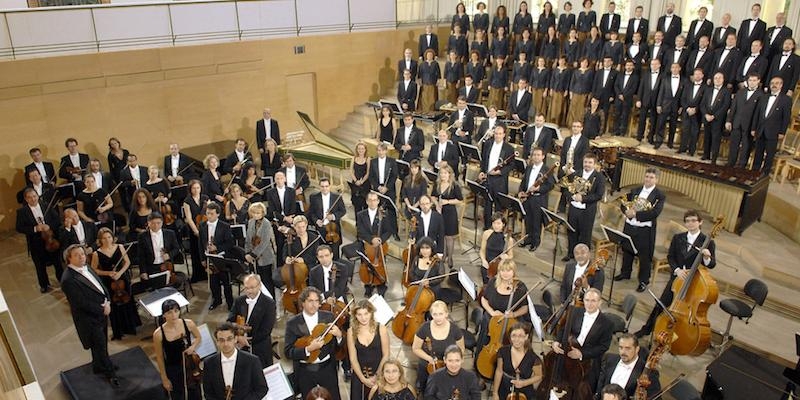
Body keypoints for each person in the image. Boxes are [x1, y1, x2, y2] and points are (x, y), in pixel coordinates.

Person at [634, 210, 715, 338]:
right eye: (687, 221)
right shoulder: (678, 238)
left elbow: (711, 264)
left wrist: (706, 257)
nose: (690, 223)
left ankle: (679, 335)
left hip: (693, 283)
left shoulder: (708, 242)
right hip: (677, 279)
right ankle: (647, 329)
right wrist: (677, 270)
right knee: (661, 304)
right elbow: (670, 257)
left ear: (700, 222)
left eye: (693, 220)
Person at [60, 244, 119, 386]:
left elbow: (100, 286)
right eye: (77, 255)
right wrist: (102, 309)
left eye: (82, 254)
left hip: (101, 312)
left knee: (101, 343)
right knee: (100, 345)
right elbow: (80, 303)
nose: (81, 257)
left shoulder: (86, 267)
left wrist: (108, 301)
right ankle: (111, 374)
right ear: (69, 259)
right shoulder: (68, 279)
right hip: (89, 319)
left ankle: (98, 366)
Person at [285, 287, 344, 400]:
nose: (314, 305)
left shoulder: (329, 317)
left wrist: (339, 336)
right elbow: (288, 352)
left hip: (327, 369)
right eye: (310, 301)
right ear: (303, 303)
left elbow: (338, 347)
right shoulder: (292, 323)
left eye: (316, 301)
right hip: (305, 371)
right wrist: (308, 349)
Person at [550, 288, 613, 392]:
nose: (589, 304)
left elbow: (603, 346)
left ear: (600, 302)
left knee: (581, 390)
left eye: (593, 301)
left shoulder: (607, 323)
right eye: (587, 300)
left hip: (587, 361)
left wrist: (581, 354)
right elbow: (563, 329)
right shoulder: (575, 311)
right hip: (568, 352)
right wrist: (557, 342)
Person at [616, 168, 666, 292]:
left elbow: (655, 213)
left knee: (644, 257)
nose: (648, 179)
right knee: (627, 250)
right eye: (647, 176)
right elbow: (623, 201)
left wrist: (636, 215)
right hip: (629, 225)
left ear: (656, 180)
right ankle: (625, 273)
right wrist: (626, 211)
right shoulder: (636, 190)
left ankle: (643, 281)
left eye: (651, 177)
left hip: (644, 230)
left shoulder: (659, 195)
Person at [91, 227, 140, 340]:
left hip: (122, 279)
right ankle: (118, 331)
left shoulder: (120, 247)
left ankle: (130, 327)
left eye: (109, 237)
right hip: (108, 281)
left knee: (127, 301)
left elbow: (127, 262)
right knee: (114, 306)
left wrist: (120, 273)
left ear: (112, 237)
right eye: (104, 238)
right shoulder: (96, 254)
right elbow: (94, 270)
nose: (107, 240)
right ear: (100, 240)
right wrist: (108, 273)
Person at [344, 191, 393, 297]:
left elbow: (388, 231)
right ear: (366, 201)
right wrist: (371, 240)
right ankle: (368, 286)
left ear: (378, 201)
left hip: (380, 245)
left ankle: (381, 285)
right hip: (366, 244)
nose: (372, 202)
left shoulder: (384, 214)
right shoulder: (361, 215)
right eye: (370, 200)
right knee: (366, 265)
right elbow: (360, 231)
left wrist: (380, 240)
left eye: (374, 200)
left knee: (380, 265)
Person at [203, 322, 268, 400]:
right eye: (221, 340)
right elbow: (208, 393)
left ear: (236, 339)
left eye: (229, 339)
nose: (226, 344)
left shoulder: (252, 361)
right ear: (217, 342)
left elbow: (262, 389)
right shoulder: (209, 363)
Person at [153, 299, 202, 400]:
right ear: (164, 315)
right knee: (178, 395)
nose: (174, 315)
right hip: (173, 369)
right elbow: (160, 357)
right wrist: (164, 378)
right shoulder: (158, 334)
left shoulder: (188, 323)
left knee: (195, 393)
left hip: (190, 365)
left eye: (176, 311)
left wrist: (192, 347)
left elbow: (198, 337)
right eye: (169, 312)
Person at [478, 260, 529, 356]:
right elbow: (484, 299)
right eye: (502, 270)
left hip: (510, 321)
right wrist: (492, 312)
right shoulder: (493, 282)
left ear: (514, 271)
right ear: (499, 271)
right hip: (491, 319)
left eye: (508, 270)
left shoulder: (520, 287)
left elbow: (525, 307)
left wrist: (513, 314)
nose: (505, 273)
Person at [16, 187, 62, 293]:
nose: (33, 199)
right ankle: (44, 285)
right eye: (30, 197)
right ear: (26, 199)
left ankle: (61, 279)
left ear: (37, 196)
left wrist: (49, 226)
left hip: (51, 239)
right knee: (40, 265)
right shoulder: (22, 211)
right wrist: (35, 228)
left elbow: (57, 220)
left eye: (34, 196)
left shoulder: (46, 205)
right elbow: (19, 227)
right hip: (36, 242)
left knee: (57, 262)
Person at [412, 301, 465, 393]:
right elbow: (415, 348)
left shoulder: (455, 329)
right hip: (427, 365)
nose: (438, 317)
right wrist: (429, 358)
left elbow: (461, 349)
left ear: (446, 314)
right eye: (435, 314)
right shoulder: (424, 328)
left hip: (447, 366)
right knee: (427, 390)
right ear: (431, 314)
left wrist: (452, 362)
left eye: (441, 314)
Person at [227, 274, 277, 368]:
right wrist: (238, 337)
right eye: (246, 288)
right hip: (240, 347)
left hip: (260, 348)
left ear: (259, 286)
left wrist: (247, 341)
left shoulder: (269, 303)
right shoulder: (239, 301)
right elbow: (229, 322)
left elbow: (266, 330)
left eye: (252, 288)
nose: (249, 291)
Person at [348, 299, 390, 400]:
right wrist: (363, 379)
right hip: (359, 374)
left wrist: (377, 375)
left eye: (366, 313)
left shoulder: (381, 328)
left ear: (371, 313)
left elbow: (386, 355)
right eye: (359, 314)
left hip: (379, 371)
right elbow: (353, 359)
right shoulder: (351, 332)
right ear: (355, 316)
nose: (363, 318)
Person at [596, 334, 661, 399]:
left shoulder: (648, 372)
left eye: (627, 348)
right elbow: (600, 386)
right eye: (621, 347)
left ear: (637, 349)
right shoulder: (609, 359)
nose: (623, 352)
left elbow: (655, 397)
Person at [565, 153, 604, 261]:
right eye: (585, 162)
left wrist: (583, 198)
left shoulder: (599, 177)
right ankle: (571, 254)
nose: (587, 164)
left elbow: (598, 195)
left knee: (584, 235)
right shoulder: (576, 174)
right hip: (573, 208)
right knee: (571, 232)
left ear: (594, 164)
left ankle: (582, 259)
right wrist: (572, 196)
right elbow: (566, 189)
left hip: (587, 211)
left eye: (590, 162)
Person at [751, 76, 793, 174]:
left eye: (777, 83)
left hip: (774, 131)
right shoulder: (763, 97)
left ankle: (764, 174)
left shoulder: (786, 99)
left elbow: (786, 118)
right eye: (772, 83)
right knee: (758, 153)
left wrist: (782, 132)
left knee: (769, 155)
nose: (774, 85)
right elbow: (757, 114)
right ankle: (754, 173)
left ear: (781, 85)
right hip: (761, 130)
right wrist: (753, 128)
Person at [134, 212, 183, 295]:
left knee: (172, 285)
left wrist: (169, 255)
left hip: (167, 266)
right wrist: (143, 271)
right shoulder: (142, 236)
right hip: (151, 267)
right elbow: (141, 256)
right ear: (148, 223)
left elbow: (176, 248)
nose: (156, 226)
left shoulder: (170, 233)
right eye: (153, 223)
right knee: (155, 289)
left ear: (162, 223)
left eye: (158, 223)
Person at [491, 322, 542, 400]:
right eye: (513, 336)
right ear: (510, 337)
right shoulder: (502, 351)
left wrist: (524, 383)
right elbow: (499, 371)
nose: (516, 339)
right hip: (504, 388)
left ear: (526, 337)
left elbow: (538, 376)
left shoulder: (533, 358)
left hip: (524, 391)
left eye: (520, 336)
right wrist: (495, 393)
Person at [518, 147, 555, 252]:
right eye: (534, 155)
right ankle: (528, 239)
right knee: (528, 220)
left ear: (543, 157)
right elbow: (524, 181)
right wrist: (521, 191)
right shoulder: (529, 167)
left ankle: (535, 242)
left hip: (539, 199)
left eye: (538, 155)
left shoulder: (547, 170)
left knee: (536, 222)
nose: (536, 157)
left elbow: (551, 185)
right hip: (528, 198)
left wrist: (538, 188)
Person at [478, 125, 515, 229]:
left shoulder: (509, 148)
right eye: (496, 134)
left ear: (504, 135)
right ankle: (487, 227)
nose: (498, 136)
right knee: (487, 205)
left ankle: (498, 229)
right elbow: (484, 160)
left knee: (499, 207)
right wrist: (482, 171)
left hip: (500, 181)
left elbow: (512, 165)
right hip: (488, 178)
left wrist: (500, 171)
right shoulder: (488, 144)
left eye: (500, 134)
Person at [201, 202, 235, 311]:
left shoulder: (225, 226)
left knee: (226, 281)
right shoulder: (202, 226)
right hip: (209, 257)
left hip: (221, 257)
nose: (209, 216)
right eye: (207, 213)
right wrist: (202, 259)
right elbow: (200, 243)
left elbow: (230, 243)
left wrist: (217, 248)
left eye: (211, 213)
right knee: (213, 282)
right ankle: (216, 300)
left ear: (218, 214)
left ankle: (230, 302)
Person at [726, 73, 764, 168]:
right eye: (750, 80)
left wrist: (755, 128)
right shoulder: (740, 92)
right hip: (737, 122)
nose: (752, 82)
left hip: (749, 125)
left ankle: (741, 166)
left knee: (746, 146)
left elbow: (759, 114)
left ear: (758, 81)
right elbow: (733, 107)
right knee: (733, 144)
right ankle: (730, 163)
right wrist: (729, 120)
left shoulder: (761, 95)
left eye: (754, 80)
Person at [431, 166, 462, 270]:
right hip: (439, 212)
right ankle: (443, 256)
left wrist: (447, 202)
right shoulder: (437, 184)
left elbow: (460, 200)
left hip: (450, 213)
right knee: (441, 235)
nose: (443, 175)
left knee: (449, 237)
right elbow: (433, 196)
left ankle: (450, 257)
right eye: (441, 173)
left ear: (449, 174)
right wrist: (436, 204)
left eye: (445, 173)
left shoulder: (454, 186)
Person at [309, 177, 347, 258]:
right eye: (322, 186)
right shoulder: (314, 197)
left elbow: (343, 211)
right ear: (319, 187)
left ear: (330, 186)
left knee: (335, 253)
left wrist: (333, 216)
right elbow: (311, 213)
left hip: (334, 229)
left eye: (326, 186)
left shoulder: (337, 197)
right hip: (321, 228)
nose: (324, 188)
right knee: (322, 252)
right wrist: (316, 221)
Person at [245, 202, 277, 296]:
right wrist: (247, 253)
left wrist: (253, 255)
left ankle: (270, 300)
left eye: (258, 213)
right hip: (253, 258)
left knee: (267, 282)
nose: (256, 215)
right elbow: (248, 239)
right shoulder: (250, 222)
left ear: (263, 213)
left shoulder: (267, 224)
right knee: (257, 282)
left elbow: (264, 243)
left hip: (266, 257)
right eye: (254, 213)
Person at [266, 171, 298, 263]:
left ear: (285, 179)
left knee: (291, 244)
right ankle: (280, 265)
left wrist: (288, 219)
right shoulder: (270, 192)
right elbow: (272, 210)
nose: (279, 180)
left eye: (281, 178)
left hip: (290, 220)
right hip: (277, 221)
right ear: (275, 180)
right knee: (279, 244)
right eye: (277, 179)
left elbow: (293, 207)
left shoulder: (291, 191)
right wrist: (284, 218)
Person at [700, 72, 731, 164]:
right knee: (707, 137)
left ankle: (714, 158)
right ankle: (706, 154)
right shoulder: (708, 90)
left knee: (715, 139)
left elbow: (725, 106)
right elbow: (702, 104)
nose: (717, 80)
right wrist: (706, 114)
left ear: (723, 80)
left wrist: (714, 116)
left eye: (719, 78)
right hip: (707, 118)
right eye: (716, 78)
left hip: (718, 119)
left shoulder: (726, 91)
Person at [368, 143, 399, 236]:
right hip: (378, 189)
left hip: (389, 189)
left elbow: (394, 176)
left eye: (382, 150)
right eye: (378, 150)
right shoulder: (373, 162)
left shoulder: (392, 161)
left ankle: (394, 232)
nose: (380, 152)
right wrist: (378, 187)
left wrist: (387, 187)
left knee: (391, 211)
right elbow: (371, 177)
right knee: (377, 210)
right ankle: (379, 231)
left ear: (386, 151)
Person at [183, 179, 210, 282]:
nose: (196, 190)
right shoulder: (187, 201)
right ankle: (198, 275)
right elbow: (189, 218)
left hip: (206, 228)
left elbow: (209, 213)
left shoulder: (205, 198)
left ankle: (208, 273)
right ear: (190, 189)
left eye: (198, 188)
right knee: (196, 252)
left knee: (207, 251)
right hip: (194, 229)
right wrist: (196, 231)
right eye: (194, 188)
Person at [654, 62, 686, 149]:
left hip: (676, 106)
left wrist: (681, 106)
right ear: (671, 69)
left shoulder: (684, 80)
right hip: (665, 104)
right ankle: (658, 141)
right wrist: (658, 104)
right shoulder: (665, 79)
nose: (674, 69)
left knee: (673, 124)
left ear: (680, 69)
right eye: (673, 67)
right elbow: (661, 92)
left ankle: (670, 142)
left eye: (676, 67)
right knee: (660, 124)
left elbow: (684, 95)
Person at [678, 68, 707, 156]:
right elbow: (683, 99)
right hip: (686, 112)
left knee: (694, 132)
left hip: (697, 113)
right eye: (695, 74)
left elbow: (704, 101)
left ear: (702, 76)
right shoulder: (688, 85)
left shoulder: (706, 87)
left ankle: (691, 150)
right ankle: (682, 148)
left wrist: (695, 109)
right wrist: (687, 108)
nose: (697, 76)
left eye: (699, 74)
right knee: (685, 130)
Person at [479, 213, 514, 284]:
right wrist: (483, 260)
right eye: (494, 223)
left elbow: (511, 255)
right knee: (486, 286)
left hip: (500, 268)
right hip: (486, 265)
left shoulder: (508, 239)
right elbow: (482, 251)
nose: (496, 226)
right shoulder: (486, 233)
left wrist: (507, 257)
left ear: (503, 224)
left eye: (498, 223)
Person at [636, 59, 663, 143]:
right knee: (642, 119)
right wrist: (638, 99)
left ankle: (650, 137)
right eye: (652, 64)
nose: (653, 66)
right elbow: (641, 87)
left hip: (656, 101)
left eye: (655, 64)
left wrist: (660, 103)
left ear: (659, 65)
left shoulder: (663, 76)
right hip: (645, 99)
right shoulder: (646, 74)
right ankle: (639, 136)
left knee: (654, 120)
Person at [612, 60, 639, 136]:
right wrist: (619, 94)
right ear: (625, 66)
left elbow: (633, 89)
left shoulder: (636, 77)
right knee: (617, 115)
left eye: (630, 65)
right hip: (618, 99)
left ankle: (622, 132)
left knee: (625, 116)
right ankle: (615, 130)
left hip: (627, 99)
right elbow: (616, 85)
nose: (629, 67)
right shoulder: (620, 74)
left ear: (633, 67)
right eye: (627, 65)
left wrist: (624, 96)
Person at [569, 58, 594, 124]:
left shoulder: (590, 72)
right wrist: (571, 92)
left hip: (584, 93)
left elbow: (591, 83)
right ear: (580, 63)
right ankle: (572, 123)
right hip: (575, 92)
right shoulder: (576, 71)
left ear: (587, 63)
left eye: (585, 62)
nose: (584, 64)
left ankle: (580, 123)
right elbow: (572, 82)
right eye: (582, 62)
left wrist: (590, 93)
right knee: (573, 108)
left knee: (582, 109)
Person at [548, 57, 571, 125]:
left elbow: (568, 81)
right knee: (553, 106)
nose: (561, 62)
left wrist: (566, 90)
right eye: (560, 60)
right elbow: (552, 79)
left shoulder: (567, 70)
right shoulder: (555, 69)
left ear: (565, 62)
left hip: (562, 91)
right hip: (555, 89)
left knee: (560, 106)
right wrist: (551, 89)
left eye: (563, 61)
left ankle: (558, 122)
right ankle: (552, 121)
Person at [256, 108, 281, 172]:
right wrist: (260, 147)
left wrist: (278, 144)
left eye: (268, 113)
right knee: (264, 158)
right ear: (263, 114)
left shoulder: (274, 122)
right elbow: (258, 135)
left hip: (273, 142)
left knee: (274, 157)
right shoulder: (259, 123)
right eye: (265, 113)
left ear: (270, 114)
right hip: (264, 143)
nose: (266, 114)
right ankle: (265, 172)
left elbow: (277, 133)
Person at [351, 142, 371, 213]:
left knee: (365, 204)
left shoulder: (368, 159)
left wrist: (362, 182)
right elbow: (351, 171)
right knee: (356, 204)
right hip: (355, 183)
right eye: (359, 148)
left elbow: (368, 172)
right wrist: (356, 181)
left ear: (365, 150)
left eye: (362, 149)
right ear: (356, 149)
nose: (360, 150)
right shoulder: (353, 158)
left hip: (365, 183)